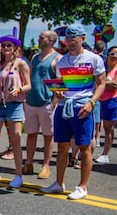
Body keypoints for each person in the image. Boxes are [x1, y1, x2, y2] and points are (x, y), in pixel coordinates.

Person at [40, 24, 106, 200]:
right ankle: (59, 183)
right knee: (62, 146)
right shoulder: (62, 60)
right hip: (64, 106)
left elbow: (101, 84)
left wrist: (92, 102)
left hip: (83, 106)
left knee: (84, 147)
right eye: (67, 39)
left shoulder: (94, 59)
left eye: (73, 38)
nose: (69, 42)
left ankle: (82, 187)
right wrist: (58, 90)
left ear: (83, 39)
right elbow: (60, 84)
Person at [0, 34, 31, 188]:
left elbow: (29, 85)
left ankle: (18, 175)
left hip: (14, 104)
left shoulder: (21, 64)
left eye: (9, 45)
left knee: (15, 139)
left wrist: (19, 89)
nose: (6, 48)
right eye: (3, 46)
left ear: (15, 48)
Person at [22, 30, 61, 179]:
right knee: (31, 134)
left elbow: (59, 82)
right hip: (32, 101)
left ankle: (45, 165)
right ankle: (29, 163)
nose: (38, 39)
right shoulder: (35, 57)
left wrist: (54, 102)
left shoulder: (57, 58)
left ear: (51, 40)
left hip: (47, 102)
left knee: (47, 136)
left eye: (41, 38)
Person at [96, 45, 117, 163]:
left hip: (112, 100)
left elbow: (115, 86)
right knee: (99, 125)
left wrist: (102, 83)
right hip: (100, 100)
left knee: (108, 128)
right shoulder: (103, 67)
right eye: (112, 54)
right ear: (107, 55)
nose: (115, 56)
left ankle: (105, 154)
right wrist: (106, 83)